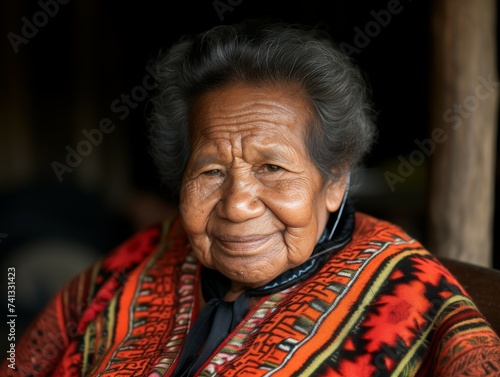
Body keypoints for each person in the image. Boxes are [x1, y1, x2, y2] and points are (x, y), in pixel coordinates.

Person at [6, 19, 500, 377]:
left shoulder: (410, 294)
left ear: (333, 182)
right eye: (212, 170)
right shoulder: (134, 264)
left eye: (272, 168)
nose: (238, 204)